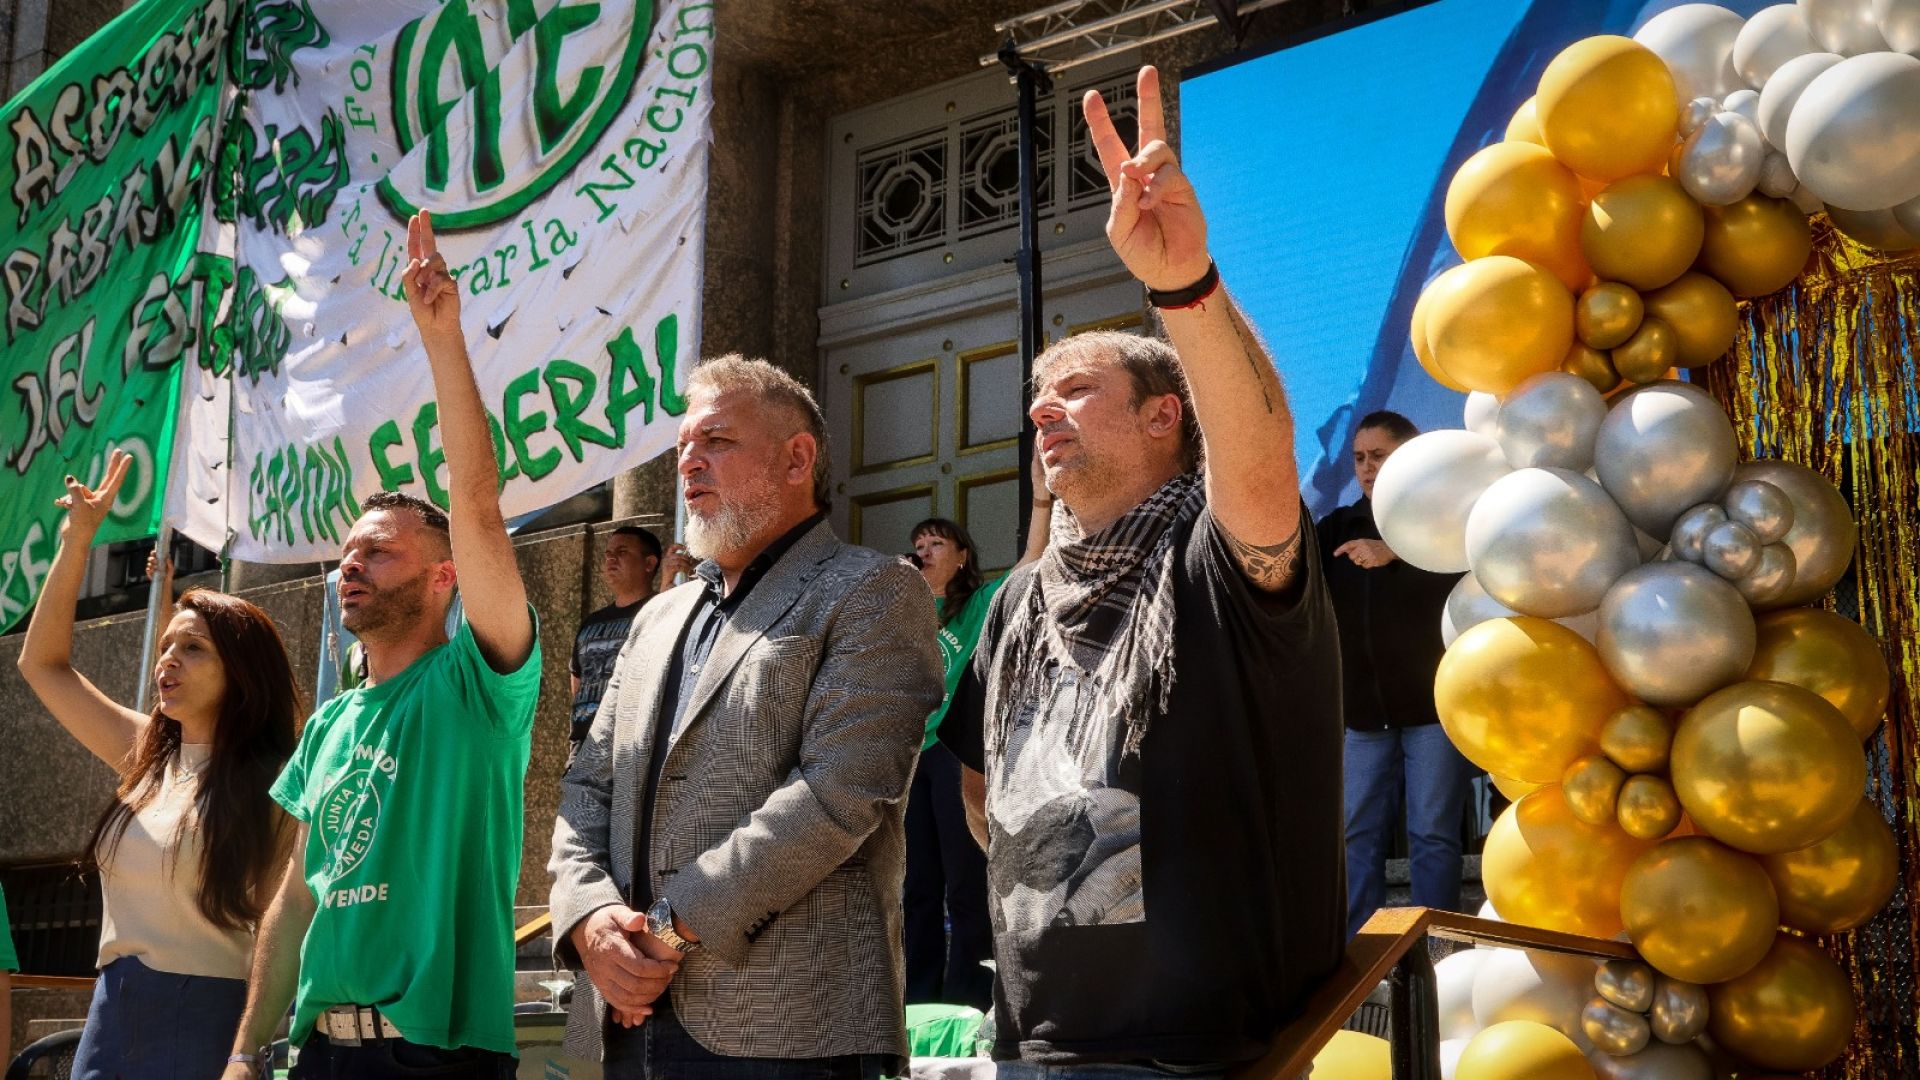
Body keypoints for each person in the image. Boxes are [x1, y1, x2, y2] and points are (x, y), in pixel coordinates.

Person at [938, 65, 1344, 1075]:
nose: (1040, 411)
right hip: (1029, 1042)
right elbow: (984, 791)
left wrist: (1185, 285)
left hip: (1192, 1052)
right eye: (1038, 399)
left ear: (1166, 416)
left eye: (1076, 391)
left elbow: (1258, 462)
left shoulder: (1211, 561)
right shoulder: (1019, 597)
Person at [549, 355, 946, 1078]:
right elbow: (585, 789)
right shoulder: (655, 618)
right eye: (681, 450)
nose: (690, 464)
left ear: (798, 459)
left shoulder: (873, 588)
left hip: (789, 1030)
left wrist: (669, 930)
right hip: (622, 1021)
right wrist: (588, 921)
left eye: (717, 442)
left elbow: (840, 793)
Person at [221, 211, 541, 1080]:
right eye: (349, 550)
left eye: (381, 549)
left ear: (446, 580)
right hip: (316, 1056)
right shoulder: (329, 726)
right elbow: (292, 903)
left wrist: (441, 341)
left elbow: (475, 508)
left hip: (437, 1057)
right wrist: (249, 1051)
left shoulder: (480, 685)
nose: (351, 563)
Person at [16, 450, 300, 1080]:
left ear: (242, 674)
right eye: (166, 645)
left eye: (193, 648)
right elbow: (42, 666)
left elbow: (285, 923)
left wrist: (246, 1051)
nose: (167, 660)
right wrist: (79, 541)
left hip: (208, 1020)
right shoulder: (145, 754)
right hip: (109, 1014)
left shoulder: (282, 781)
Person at [1318, 411, 1469, 937]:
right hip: (1363, 717)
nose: (1365, 468)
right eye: (1358, 458)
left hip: (1431, 711)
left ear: (1406, 456)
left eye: (1377, 456)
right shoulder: (1336, 527)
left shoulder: (1442, 524)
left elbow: (1471, 582)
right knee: (1355, 833)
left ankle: (1437, 942)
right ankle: (1364, 946)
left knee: (1431, 833)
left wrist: (1395, 554)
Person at [569, 526, 667, 758]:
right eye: (608, 553)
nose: (611, 559)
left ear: (649, 563)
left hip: (629, 750)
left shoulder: (661, 612)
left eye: (622, 552)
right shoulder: (591, 622)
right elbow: (577, 681)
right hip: (582, 749)